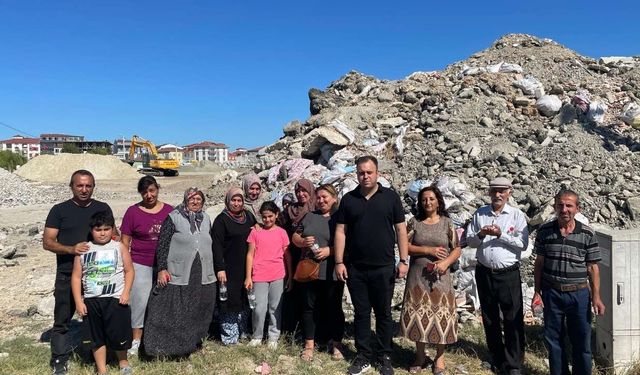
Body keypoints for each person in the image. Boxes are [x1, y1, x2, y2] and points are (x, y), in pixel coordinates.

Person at [334, 155, 409, 375]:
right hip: (356, 268)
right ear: (356, 174)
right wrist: (339, 261)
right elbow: (340, 232)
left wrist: (403, 260)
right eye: (361, 173)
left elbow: (401, 230)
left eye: (369, 172)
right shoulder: (348, 199)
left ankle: (385, 356)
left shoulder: (391, 198)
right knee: (361, 313)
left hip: (384, 267)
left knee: (384, 313)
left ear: (377, 173)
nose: (365, 176)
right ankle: (363, 356)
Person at [43, 170, 116, 375]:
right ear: (72, 186)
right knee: (63, 318)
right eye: (80, 186)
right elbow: (47, 242)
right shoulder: (59, 210)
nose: (84, 190)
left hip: (99, 275)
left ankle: (99, 356)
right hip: (67, 273)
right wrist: (70, 249)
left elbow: (113, 235)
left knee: (98, 318)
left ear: (93, 187)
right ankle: (59, 359)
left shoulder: (103, 207)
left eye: (88, 186)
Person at [532, 189, 605, 375]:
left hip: (579, 295)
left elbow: (593, 268)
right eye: (560, 205)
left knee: (581, 341)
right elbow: (539, 264)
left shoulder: (587, 234)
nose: (564, 209)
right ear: (555, 207)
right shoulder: (545, 231)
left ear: (577, 208)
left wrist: (596, 297)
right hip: (552, 293)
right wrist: (537, 292)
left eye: (569, 205)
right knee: (554, 341)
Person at [143, 187, 216, 357]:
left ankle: (193, 344)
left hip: (202, 272)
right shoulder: (174, 217)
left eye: (199, 199)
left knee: (197, 308)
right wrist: (162, 268)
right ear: (185, 199)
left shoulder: (205, 218)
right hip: (178, 272)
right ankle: (165, 349)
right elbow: (163, 244)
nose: (195, 202)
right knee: (176, 309)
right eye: (192, 198)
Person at [466, 177, 529, 375]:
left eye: (502, 191)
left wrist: (501, 234)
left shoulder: (516, 215)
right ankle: (497, 357)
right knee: (490, 317)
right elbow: (469, 241)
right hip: (485, 272)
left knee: (512, 317)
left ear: (509, 192)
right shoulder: (480, 214)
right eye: (494, 191)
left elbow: (523, 244)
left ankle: (514, 363)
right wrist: (482, 234)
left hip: (508, 274)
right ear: (489, 193)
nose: (498, 195)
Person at [400, 186, 461, 375]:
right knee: (419, 315)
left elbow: (457, 248)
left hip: (441, 278)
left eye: (432, 199)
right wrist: (427, 250)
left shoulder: (447, 223)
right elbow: (405, 246)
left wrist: (446, 262)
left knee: (442, 316)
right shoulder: (414, 223)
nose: (428, 202)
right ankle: (420, 356)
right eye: (424, 199)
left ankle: (439, 358)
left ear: (438, 201)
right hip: (418, 277)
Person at [71, 211, 134, 375]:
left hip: (116, 299)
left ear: (113, 229)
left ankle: (123, 362)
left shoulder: (119, 247)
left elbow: (129, 271)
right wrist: (79, 301)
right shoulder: (84, 250)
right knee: (95, 336)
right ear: (92, 230)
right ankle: (102, 369)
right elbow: (77, 277)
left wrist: (126, 292)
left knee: (119, 332)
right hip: (92, 300)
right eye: (98, 230)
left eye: (107, 229)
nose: (103, 233)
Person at [292, 184, 346, 362]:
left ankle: (336, 344)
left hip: (332, 270)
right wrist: (302, 241)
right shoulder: (310, 216)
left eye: (325, 197)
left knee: (334, 308)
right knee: (309, 308)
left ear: (334, 198)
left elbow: (349, 242)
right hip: (309, 270)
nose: (321, 200)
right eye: (319, 197)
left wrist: (330, 251)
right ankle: (309, 345)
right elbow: (295, 237)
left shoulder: (340, 217)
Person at [120, 176, 173, 355]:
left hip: (164, 264)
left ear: (158, 189)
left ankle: (162, 336)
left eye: (152, 190)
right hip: (140, 262)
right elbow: (125, 241)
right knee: (140, 301)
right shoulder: (132, 212)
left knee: (163, 301)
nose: (148, 195)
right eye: (144, 192)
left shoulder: (169, 211)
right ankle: (136, 339)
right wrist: (125, 267)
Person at [211, 187, 256, 345]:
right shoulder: (221, 220)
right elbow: (216, 246)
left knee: (244, 299)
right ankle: (230, 337)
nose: (236, 204)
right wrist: (220, 268)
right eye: (233, 200)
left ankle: (243, 332)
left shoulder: (249, 216)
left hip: (246, 267)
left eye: (239, 200)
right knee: (229, 301)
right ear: (227, 201)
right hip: (229, 268)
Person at [244, 201, 292, 349]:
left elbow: (287, 255)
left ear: (276, 215)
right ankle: (257, 335)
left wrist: (290, 276)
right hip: (259, 275)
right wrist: (248, 276)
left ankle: (273, 336)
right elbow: (250, 254)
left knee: (275, 307)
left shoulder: (282, 232)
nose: (267, 220)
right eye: (264, 217)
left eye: (270, 216)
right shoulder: (255, 232)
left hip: (278, 274)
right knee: (259, 308)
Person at [280, 179, 316, 334]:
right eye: (298, 191)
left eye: (304, 191)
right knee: (294, 293)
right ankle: (294, 330)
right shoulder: (290, 211)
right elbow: (276, 222)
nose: (301, 194)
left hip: (314, 256)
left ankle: (316, 331)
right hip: (294, 256)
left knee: (313, 294)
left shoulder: (318, 207)